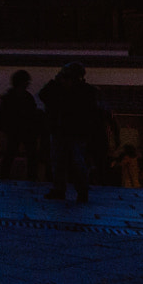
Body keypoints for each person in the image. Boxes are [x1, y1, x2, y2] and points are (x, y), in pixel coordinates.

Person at [39, 62, 105, 203]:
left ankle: (78, 191)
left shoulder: (84, 91)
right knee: (61, 161)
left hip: (74, 131)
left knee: (75, 162)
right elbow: (43, 95)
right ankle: (65, 190)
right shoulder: (77, 90)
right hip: (65, 130)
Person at [0, 69, 43, 182]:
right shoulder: (27, 97)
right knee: (30, 155)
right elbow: (32, 113)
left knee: (10, 154)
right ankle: (31, 178)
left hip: (15, 131)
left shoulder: (8, 97)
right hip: (25, 131)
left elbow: (2, 116)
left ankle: (4, 177)